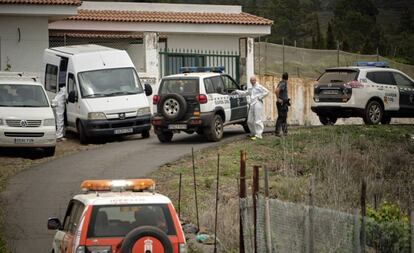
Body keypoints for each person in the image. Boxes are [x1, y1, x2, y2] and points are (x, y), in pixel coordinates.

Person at [235, 76, 269, 140]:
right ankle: (253, 133)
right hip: (252, 104)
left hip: (258, 103)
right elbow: (245, 92)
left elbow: (267, 92)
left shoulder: (259, 87)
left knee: (258, 120)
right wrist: (237, 91)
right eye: (251, 80)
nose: (252, 81)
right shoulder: (251, 88)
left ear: (255, 80)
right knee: (249, 121)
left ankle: (259, 135)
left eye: (253, 80)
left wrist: (260, 97)